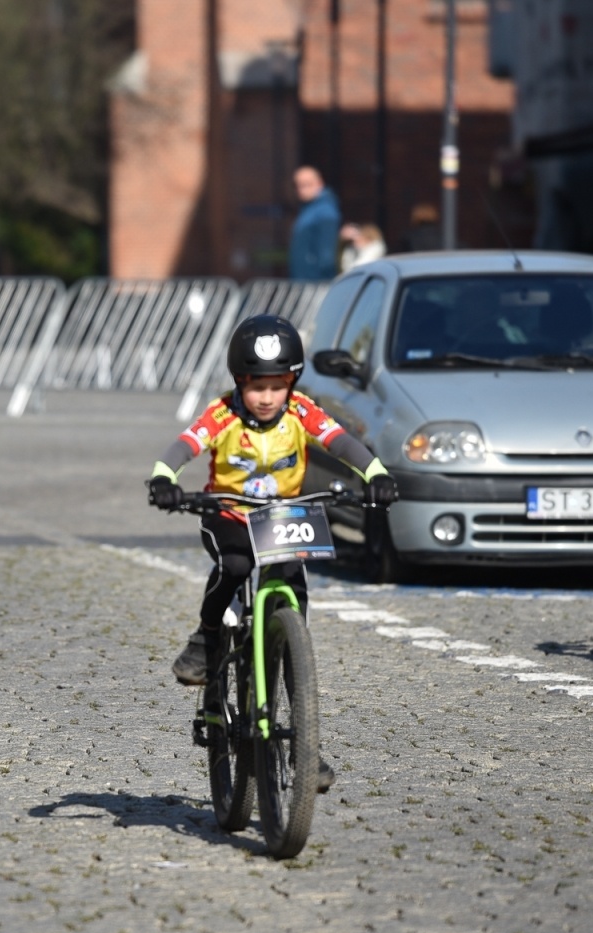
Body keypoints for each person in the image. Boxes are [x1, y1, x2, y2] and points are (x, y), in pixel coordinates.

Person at [146, 314, 397, 787]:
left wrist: (376, 474)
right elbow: (184, 446)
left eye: (276, 386)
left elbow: (341, 442)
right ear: (239, 382)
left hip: (283, 519)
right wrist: (164, 478)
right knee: (236, 563)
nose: (265, 397)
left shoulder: (302, 411)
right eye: (255, 386)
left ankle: (306, 745)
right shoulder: (222, 414)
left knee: (293, 607)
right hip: (230, 515)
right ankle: (205, 637)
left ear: (292, 383)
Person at [289, 166, 342, 281]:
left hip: (315, 282)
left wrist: (321, 278)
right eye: (298, 185)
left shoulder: (325, 211)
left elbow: (327, 252)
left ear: (319, 183)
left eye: (307, 184)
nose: (301, 189)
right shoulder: (308, 209)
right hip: (302, 279)